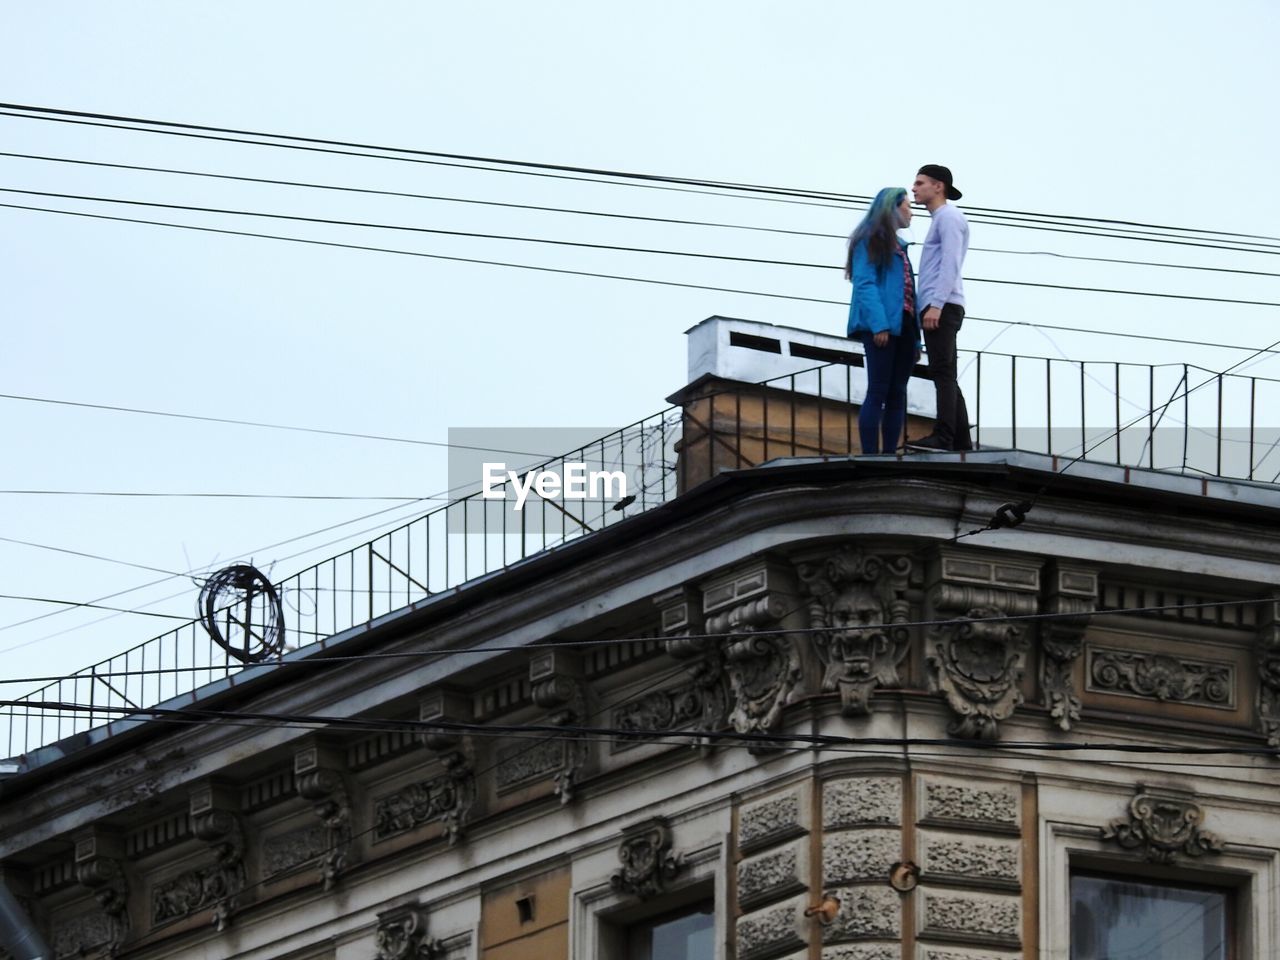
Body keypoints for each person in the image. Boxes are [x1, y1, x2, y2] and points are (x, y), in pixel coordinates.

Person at [845, 187, 921, 455]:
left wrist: (918, 340)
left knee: (898, 392)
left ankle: (889, 453)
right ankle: (871, 454)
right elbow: (865, 284)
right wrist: (879, 325)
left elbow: (911, 294)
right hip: (883, 327)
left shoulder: (901, 247)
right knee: (878, 389)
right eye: (907, 206)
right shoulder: (869, 239)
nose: (911, 212)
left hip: (905, 325)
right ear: (893, 208)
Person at [909, 163, 973, 451]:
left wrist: (935, 305)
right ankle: (961, 443)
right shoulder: (941, 218)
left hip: (943, 305)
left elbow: (950, 263)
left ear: (938, 186)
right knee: (945, 372)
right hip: (942, 304)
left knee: (942, 372)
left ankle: (945, 437)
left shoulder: (948, 217)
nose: (914, 188)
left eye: (920, 183)